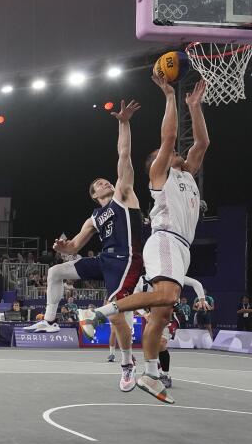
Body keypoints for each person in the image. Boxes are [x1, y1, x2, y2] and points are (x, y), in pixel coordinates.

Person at [80, 73, 211, 404]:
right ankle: (97, 314)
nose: (172, 151)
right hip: (164, 239)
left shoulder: (187, 174)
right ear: (158, 163)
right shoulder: (160, 175)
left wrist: (194, 107)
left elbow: (202, 144)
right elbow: (168, 139)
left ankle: (151, 374)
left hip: (182, 248)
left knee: (163, 313)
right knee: (166, 296)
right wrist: (169, 96)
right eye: (163, 153)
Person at [28, 98, 145, 393]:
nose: (106, 183)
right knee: (55, 272)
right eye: (100, 184)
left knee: (116, 312)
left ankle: (128, 364)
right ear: (94, 195)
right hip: (104, 260)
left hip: (126, 258)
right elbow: (74, 246)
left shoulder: (124, 196)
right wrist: (63, 245)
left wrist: (124, 122)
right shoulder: (93, 217)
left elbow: (125, 154)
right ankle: (51, 320)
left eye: (108, 181)